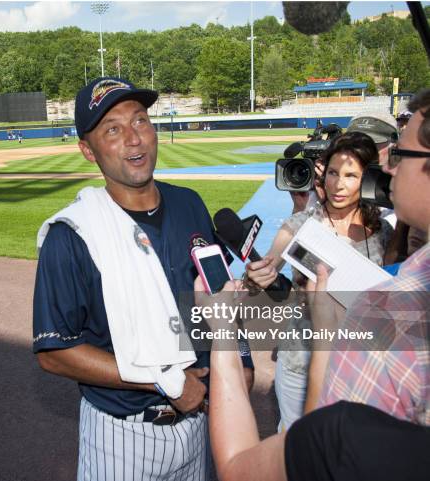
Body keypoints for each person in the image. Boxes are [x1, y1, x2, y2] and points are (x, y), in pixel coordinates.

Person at [33, 77, 253, 481]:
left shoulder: (189, 203)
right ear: (88, 150)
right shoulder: (72, 234)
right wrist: (165, 382)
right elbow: (54, 352)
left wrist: (240, 359)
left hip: (198, 424)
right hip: (121, 437)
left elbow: (217, 296)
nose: (134, 139)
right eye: (113, 129)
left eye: (140, 121)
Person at [201, 281, 430, 481]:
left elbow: (236, 469)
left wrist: (222, 327)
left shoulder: (352, 440)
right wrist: (324, 333)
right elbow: (312, 445)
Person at [245, 132, 393, 430]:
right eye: (334, 173)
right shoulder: (299, 225)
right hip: (301, 360)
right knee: (297, 443)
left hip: (360, 364)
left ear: (367, 179)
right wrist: (256, 277)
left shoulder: (384, 232)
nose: (339, 184)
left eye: (351, 175)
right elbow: (268, 265)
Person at [312, 89, 430, 426]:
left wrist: (226, 360)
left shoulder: (384, 308)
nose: (389, 169)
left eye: (399, 155)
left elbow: (322, 442)